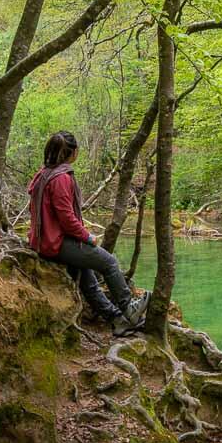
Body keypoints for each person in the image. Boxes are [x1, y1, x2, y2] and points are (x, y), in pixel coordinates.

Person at [27, 131, 149, 336]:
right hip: (55, 243)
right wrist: (87, 237)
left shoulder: (42, 174)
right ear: (72, 153)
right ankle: (129, 308)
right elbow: (66, 219)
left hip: (42, 240)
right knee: (109, 262)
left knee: (88, 280)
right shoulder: (61, 178)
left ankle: (118, 321)